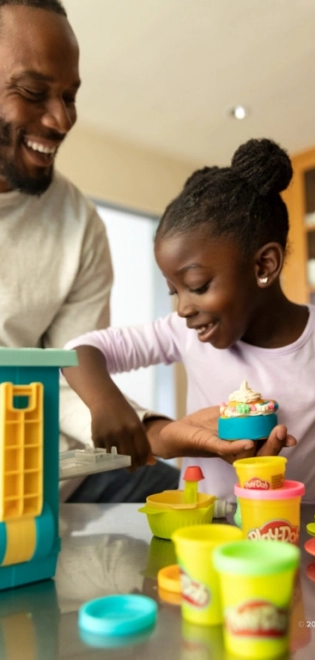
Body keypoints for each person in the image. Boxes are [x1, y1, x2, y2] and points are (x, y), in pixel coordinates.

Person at [63, 136, 315, 504]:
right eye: (174, 291)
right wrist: (107, 404)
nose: (183, 308)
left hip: (310, 535)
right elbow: (79, 349)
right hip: (209, 534)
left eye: (197, 286)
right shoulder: (183, 332)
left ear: (263, 266)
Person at [0, 0, 183, 502]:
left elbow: (70, 372)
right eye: (35, 92)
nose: (61, 120)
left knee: (193, 506)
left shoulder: (78, 224)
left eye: (70, 96)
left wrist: (148, 426)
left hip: (51, 470)